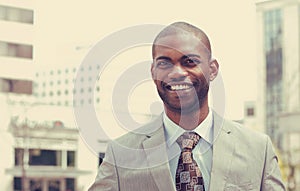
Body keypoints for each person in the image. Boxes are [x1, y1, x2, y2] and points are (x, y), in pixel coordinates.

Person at [88, 21, 286, 191]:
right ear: (153, 71)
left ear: (212, 69)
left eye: (189, 61)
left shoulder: (259, 150)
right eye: (164, 63)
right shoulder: (121, 154)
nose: (176, 72)